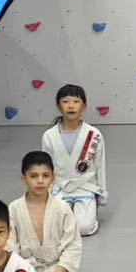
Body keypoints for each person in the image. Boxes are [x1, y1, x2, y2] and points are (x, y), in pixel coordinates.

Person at [8, 150, 82, 272]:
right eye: (33, 176)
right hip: (23, 268)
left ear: (53, 179)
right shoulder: (14, 209)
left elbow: (73, 244)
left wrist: (61, 270)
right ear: (23, 179)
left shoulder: (62, 208)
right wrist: (16, 270)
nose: (40, 181)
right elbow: (9, 244)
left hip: (53, 268)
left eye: (45, 175)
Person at [40, 83, 106, 235]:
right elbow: (46, 168)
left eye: (76, 102)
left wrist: (101, 193)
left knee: (83, 228)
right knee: (55, 229)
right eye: (65, 101)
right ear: (58, 107)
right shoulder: (49, 136)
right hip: (60, 187)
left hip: (85, 187)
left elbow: (100, 166)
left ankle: (91, 210)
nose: (71, 106)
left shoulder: (94, 135)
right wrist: (45, 194)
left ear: (84, 107)